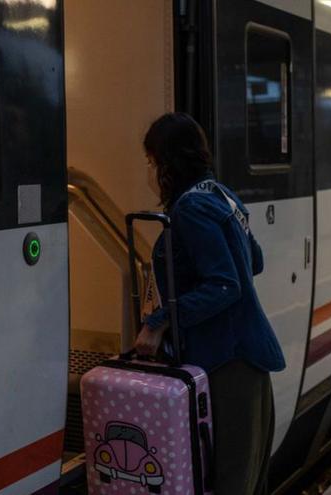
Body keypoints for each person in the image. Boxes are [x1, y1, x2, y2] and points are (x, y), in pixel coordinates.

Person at [134, 112, 286, 494]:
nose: (151, 172)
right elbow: (254, 261)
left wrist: (160, 321)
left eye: (153, 162)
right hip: (244, 358)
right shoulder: (219, 194)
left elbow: (224, 285)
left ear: (169, 162)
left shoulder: (190, 208)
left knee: (230, 481)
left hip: (228, 362)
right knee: (246, 477)